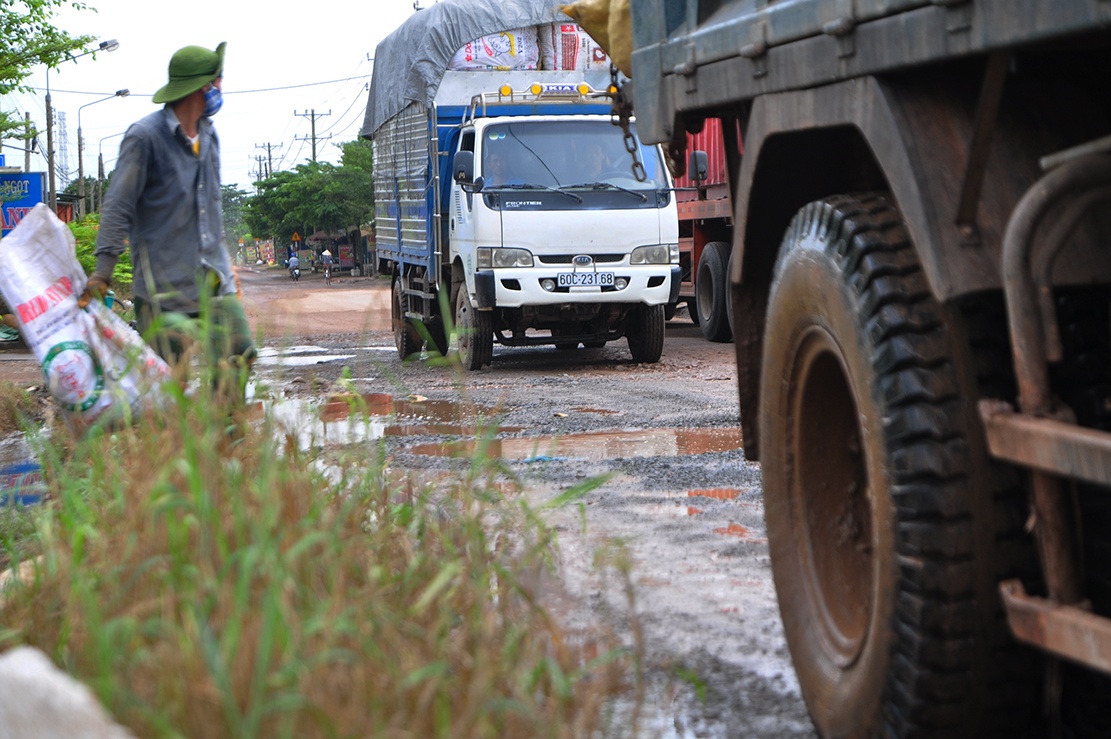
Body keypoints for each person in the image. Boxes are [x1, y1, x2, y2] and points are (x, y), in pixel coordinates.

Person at [85, 42, 255, 400]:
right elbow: (118, 206)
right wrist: (102, 272)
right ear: (199, 87)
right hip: (163, 289)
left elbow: (210, 210)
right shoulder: (144, 138)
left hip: (213, 283)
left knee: (239, 354)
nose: (221, 88)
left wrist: (227, 268)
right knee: (166, 390)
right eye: (217, 81)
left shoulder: (210, 136)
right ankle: (172, 447)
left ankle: (223, 439)